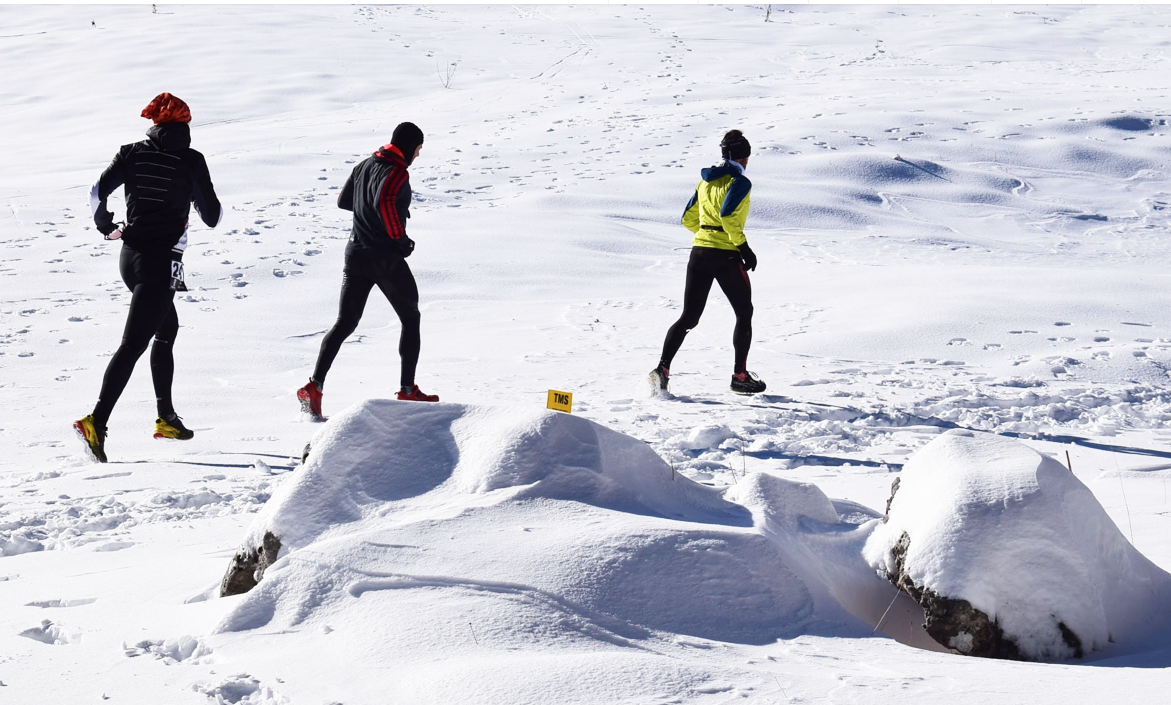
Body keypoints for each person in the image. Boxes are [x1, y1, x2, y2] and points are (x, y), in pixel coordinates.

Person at [74, 93, 223, 462]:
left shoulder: (131, 152)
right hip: (159, 264)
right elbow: (213, 217)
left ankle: (166, 417)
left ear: (154, 125)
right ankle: (96, 420)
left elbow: (96, 193)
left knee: (166, 328)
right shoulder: (191, 160)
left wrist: (106, 225)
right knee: (133, 344)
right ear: (186, 126)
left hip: (131, 258)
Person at [296, 122, 438, 420]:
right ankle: (408, 391)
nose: (418, 155)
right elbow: (385, 201)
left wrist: (370, 214)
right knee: (410, 316)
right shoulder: (397, 171)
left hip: (355, 254)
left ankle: (314, 386)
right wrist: (400, 237)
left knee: (345, 321)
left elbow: (344, 201)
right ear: (410, 147)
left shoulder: (364, 165)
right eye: (418, 150)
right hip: (383, 256)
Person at [650, 129, 766, 396]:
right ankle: (740, 377)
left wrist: (706, 236)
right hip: (725, 255)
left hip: (699, 253)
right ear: (744, 156)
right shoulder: (740, 183)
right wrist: (743, 247)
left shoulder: (705, 182)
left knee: (689, 317)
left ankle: (662, 370)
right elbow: (727, 215)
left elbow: (688, 219)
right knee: (744, 313)